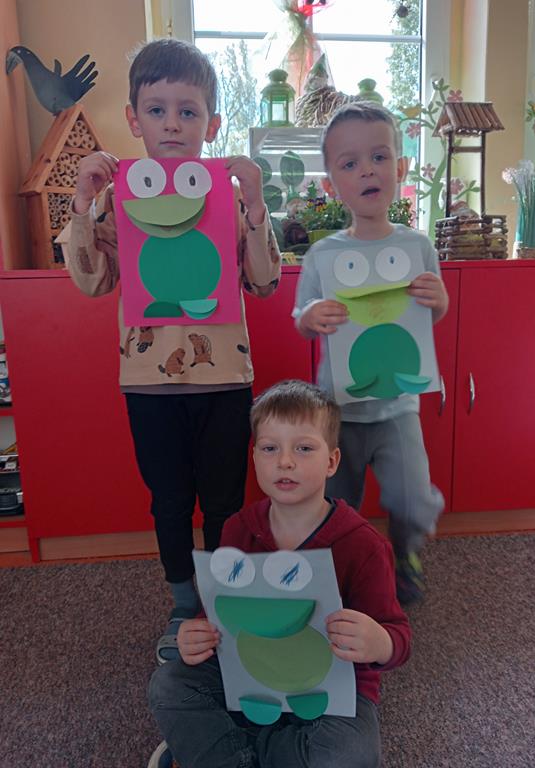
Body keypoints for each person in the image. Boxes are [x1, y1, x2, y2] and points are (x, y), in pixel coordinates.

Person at [64, 38, 281, 662]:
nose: (172, 124)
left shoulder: (227, 195)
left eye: (188, 111)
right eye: (157, 110)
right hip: (148, 384)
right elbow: (93, 282)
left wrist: (256, 205)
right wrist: (83, 204)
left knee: (224, 501)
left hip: (224, 381)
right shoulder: (118, 196)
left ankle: (223, 600)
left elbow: (264, 282)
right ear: (134, 119)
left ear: (212, 124)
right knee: (169, 500)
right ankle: (185, 604)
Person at [148, 379, 411, 768]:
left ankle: (232, 749)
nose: (285, 461)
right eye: (270, 448)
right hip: (250, 675)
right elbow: (219, 614)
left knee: (350, 755)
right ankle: (251, 749)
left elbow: (398, 637)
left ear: (332, 461)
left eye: (303, 448)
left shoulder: (364, 545)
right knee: (169, 684)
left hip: (330, 693)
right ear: (254, 458)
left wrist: (379, 643)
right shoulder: (238, 529)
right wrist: (197, 634)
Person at [293, 102, 448, 605]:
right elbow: (301, 318)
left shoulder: (418, 247)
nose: (367, 171)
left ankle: (406, 553)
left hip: (398, 407)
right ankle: (348, 571)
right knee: (339, 504)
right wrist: (312, 315)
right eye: (350, 163)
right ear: (331, 183)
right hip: (337, 412)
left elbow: (428, 316)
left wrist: (439, 300)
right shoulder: (324, 255)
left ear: (400, 168)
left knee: (413, 499)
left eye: (379, 157)